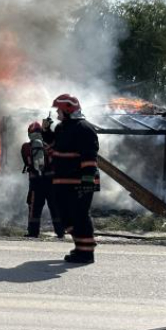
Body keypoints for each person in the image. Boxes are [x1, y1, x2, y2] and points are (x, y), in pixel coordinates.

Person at [43, 94, 100, 264]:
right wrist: (46, 131)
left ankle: (86, 253)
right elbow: (53, 148)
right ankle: (80, 246)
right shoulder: (62, 128)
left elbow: (90, 156)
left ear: (68, 109)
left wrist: (88, 181)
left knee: (80, 216)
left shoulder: (84, 128)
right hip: (62, 181)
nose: (57, 114)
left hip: (79, 181)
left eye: (59, 110)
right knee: (64, 216)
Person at [21, 121, 64, 238]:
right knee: (55, 208)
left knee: (34, 208)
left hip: (36, 183)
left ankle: (33, 233)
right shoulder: (49, 147)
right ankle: (60, 233)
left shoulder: (26, 147)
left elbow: (26, 161)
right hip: (51, 183)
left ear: (29, 133)